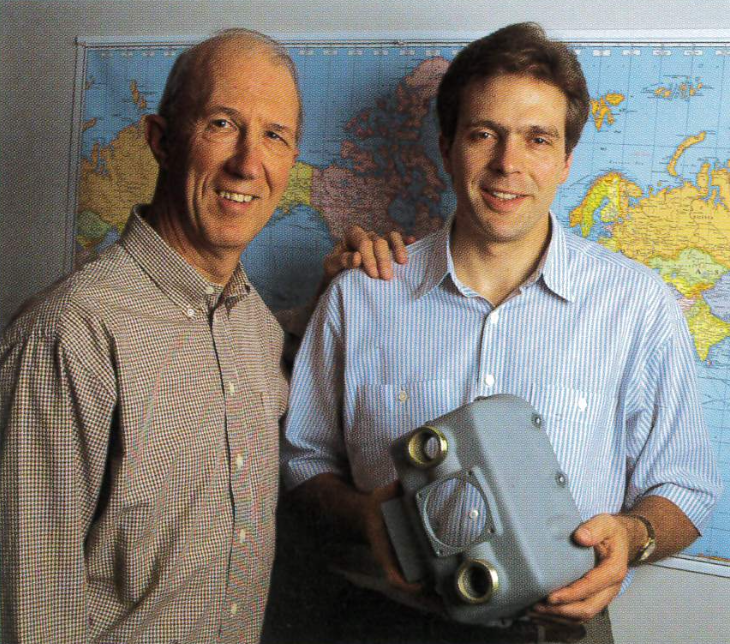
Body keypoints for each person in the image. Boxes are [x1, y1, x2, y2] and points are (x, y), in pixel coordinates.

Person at [281, 22, 723, 644]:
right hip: (380, 625)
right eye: (483, 133)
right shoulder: (361, 295)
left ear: (567, 160)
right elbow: (302, 462)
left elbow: (685, 488)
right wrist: (362, 515)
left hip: (558, 632)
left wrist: (633, 536)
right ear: (447, 145)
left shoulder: (638, 306)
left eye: (537, 139)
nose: (507, 164)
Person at [0, 29, 407, 644]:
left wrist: (337, 298)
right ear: (161, 142)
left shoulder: (255, 329)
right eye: (221, 124)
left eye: (275, 136)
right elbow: (31, 613)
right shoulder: (68, 336)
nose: (249, 163)